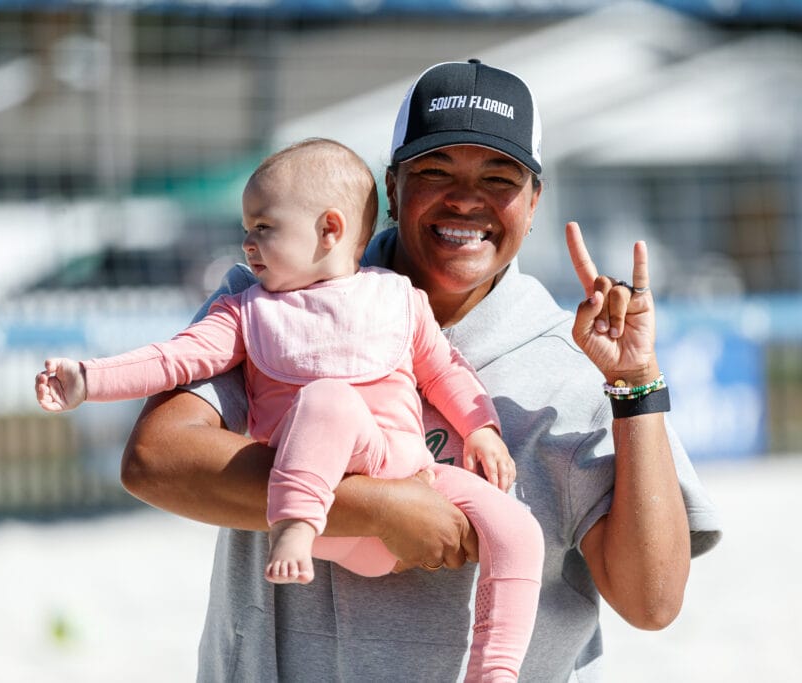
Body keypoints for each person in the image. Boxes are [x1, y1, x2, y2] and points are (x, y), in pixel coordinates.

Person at [119, 60, 723, 681]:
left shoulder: (575, 366)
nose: (466, 199)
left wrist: (634, 385)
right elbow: (155, 460)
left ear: (533, 202)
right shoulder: (273, 295)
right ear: (392, 187)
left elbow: (652, 602)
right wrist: (380, 508)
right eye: (436, 171)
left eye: (499, 177)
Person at [35, 137, 545, 681]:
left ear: (329, 229)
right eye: (247, 228)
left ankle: (495, 670)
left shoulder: (397, 298)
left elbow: (445, 371)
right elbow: (175, 359)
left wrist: (481, 428)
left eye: (264, 227)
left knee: (518, 531)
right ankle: (294, 523)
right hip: (321, 510)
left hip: (415, 474)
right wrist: (89, 379)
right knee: (328, 400)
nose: (247, 242)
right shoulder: (248, 311)